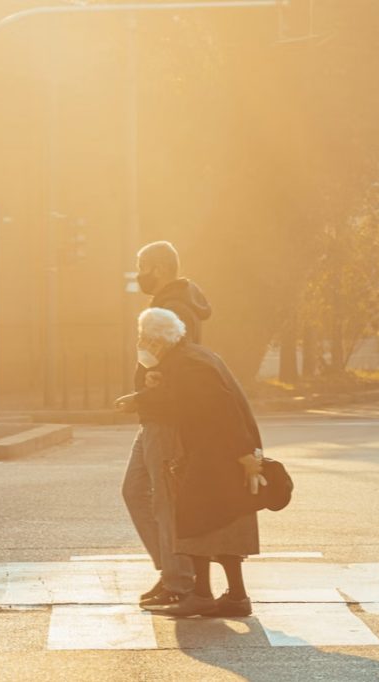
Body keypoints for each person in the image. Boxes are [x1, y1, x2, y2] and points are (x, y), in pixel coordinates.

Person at [120, 308, 264, 618]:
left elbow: (220, 406)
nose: (141, 343)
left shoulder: (188, 365)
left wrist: (244, 453)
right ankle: (230, 595)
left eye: (145, 338)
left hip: (213, 451)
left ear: (159, 341)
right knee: (217, 521)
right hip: (215, 449)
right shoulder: (186, 358)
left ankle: (201, 593)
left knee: (197, 518)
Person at [120, 241, 212, 610]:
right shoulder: (177, 304)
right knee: (135, 490)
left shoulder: (173, 308)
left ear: (158, 268)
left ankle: (179, 580)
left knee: (163, 498)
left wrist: (145, 396)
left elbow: (171, 368)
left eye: (142, 266)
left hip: (166, 417)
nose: (139, 274)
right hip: (154, 416)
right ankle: (171, 572)